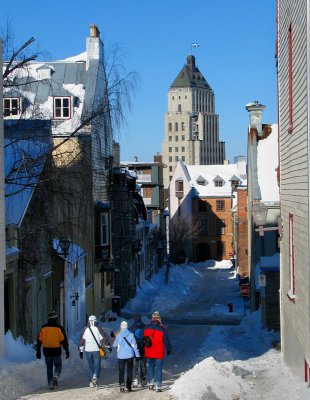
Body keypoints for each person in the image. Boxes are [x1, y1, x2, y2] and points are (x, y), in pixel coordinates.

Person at [36, 310, 69, 390]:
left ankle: (50, 384)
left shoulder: (43, 328)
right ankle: (56, 376)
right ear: (55, 318)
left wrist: (38, 351)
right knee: (58, 365)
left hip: (46, 351)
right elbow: (63, 340)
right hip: (56, 350)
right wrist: (66, 349)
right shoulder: (59, 328)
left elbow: (39, 340)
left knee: (49, 367)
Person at [79, 315, 112, 388]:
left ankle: (91, 382)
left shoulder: (85, 329)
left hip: (88, 350)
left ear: (89, 321)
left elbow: (82, 341)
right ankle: (95, 376)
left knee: (91, 366)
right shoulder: (98, 329)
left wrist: (81, 351)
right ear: (95, 321)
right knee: (97, 365)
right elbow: (104, 340)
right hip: (96, 350)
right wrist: (108, 347)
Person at [144, 310, 171, 392]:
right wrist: (169, 349)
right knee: (158, 368)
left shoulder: (146, 328)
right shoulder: (163, 329)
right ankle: (158, 386)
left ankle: (150, 383)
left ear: (152, 318)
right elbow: (166, 341)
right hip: (159, 352)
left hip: (149, 352)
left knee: (150, 367)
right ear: (159, 319)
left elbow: (144, 340)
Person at [113, 320, 140, 393]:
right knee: (129, 371)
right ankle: (128, 386)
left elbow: (114, 345)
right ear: (127, 327)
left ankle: (122, 385)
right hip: (129, 356)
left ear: (121, 327)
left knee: (121, 371)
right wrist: (137, 355)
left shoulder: (118, 335)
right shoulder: (131, 335)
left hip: (120, 356)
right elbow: (135, 346)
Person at [130, 313, 147, 387]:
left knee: (136, 364)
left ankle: (135, 380)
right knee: (143, 364)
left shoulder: (132, 327)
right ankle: (143, 380)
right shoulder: (144, 326)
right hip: (143, 347)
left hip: (135, 347)